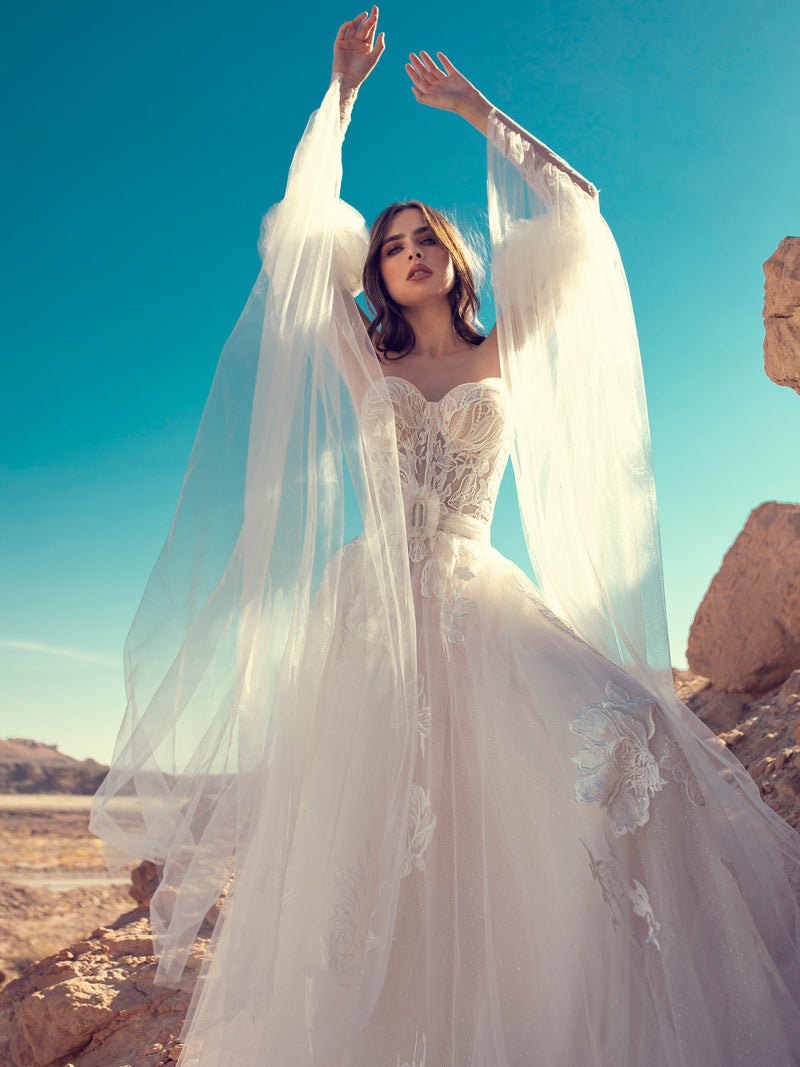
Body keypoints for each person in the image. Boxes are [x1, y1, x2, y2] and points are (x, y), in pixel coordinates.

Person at [91, 9, 800, 1065]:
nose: (410, 251)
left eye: (425, 237)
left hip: (481, 597)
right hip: (370, 616)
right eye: (390, 244)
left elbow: (580, 207)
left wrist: (477, 111)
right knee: (380, 846)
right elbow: (294, 230)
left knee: (620, 740)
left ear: (453, 255)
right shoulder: (357, 359)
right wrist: (340, 96)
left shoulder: (504, 346)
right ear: (372, 272)